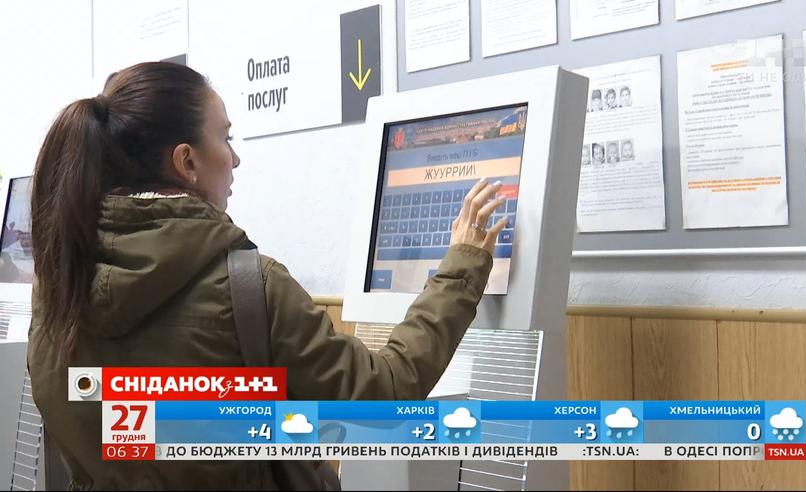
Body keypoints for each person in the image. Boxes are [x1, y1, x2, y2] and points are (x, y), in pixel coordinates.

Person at [27, 62, 508, 490]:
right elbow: (379, 399)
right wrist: (461, 267)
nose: (235, 158)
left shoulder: (56, 290)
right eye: (226, 138)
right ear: (186, 162)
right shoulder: (247, 289)